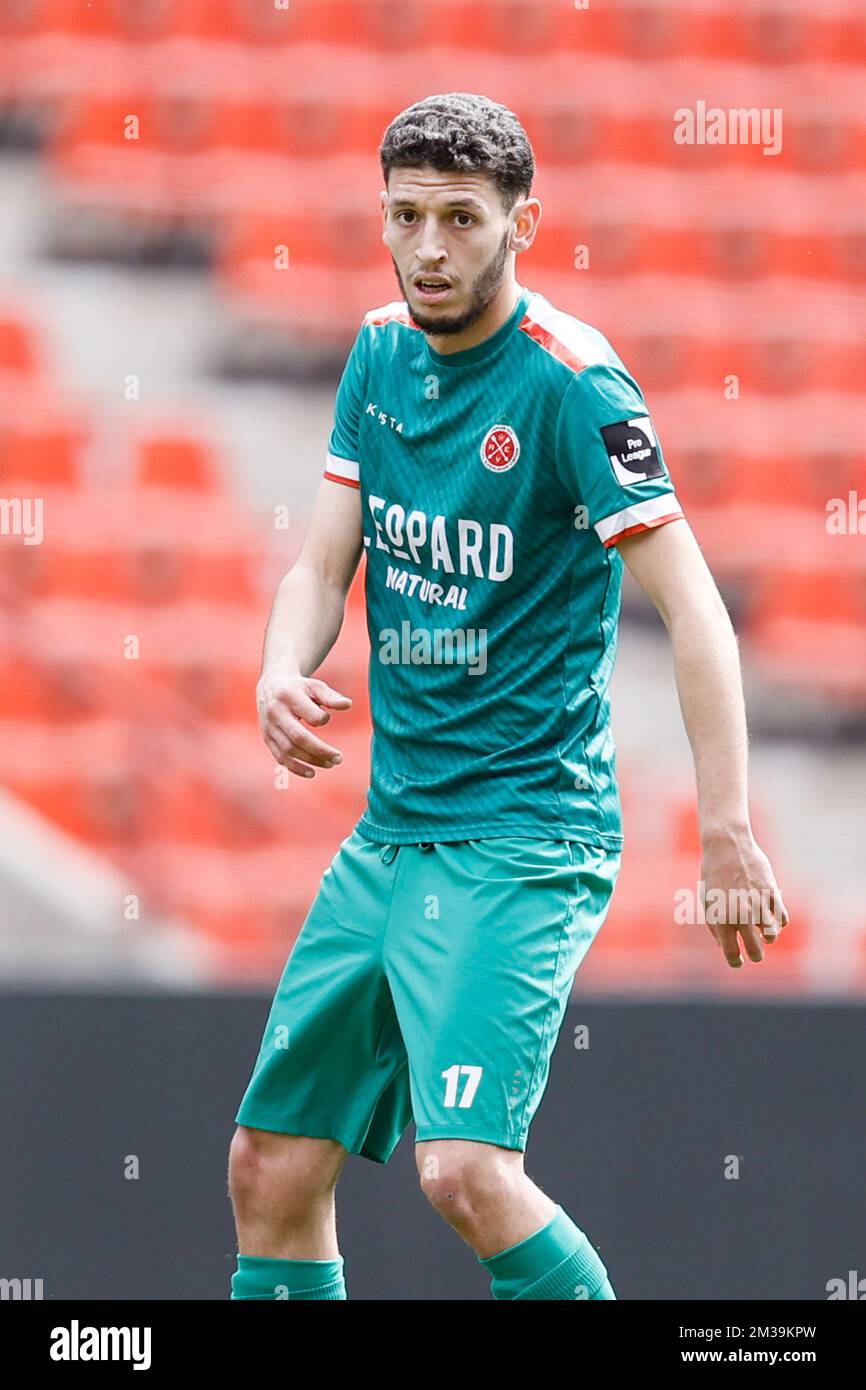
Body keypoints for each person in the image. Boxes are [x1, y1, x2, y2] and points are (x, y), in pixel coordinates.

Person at [228, 92, 788, 1301]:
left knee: (464, 1172)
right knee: (268, 1167)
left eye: (460, 220)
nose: (428, 248)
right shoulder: (376, 355)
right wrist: (282, 664)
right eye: (405, 217)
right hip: (391, 834)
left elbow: (695, 611)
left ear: (522, 222)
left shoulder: (573, 386)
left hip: (525, 839)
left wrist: (727, 828)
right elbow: (323, 562)